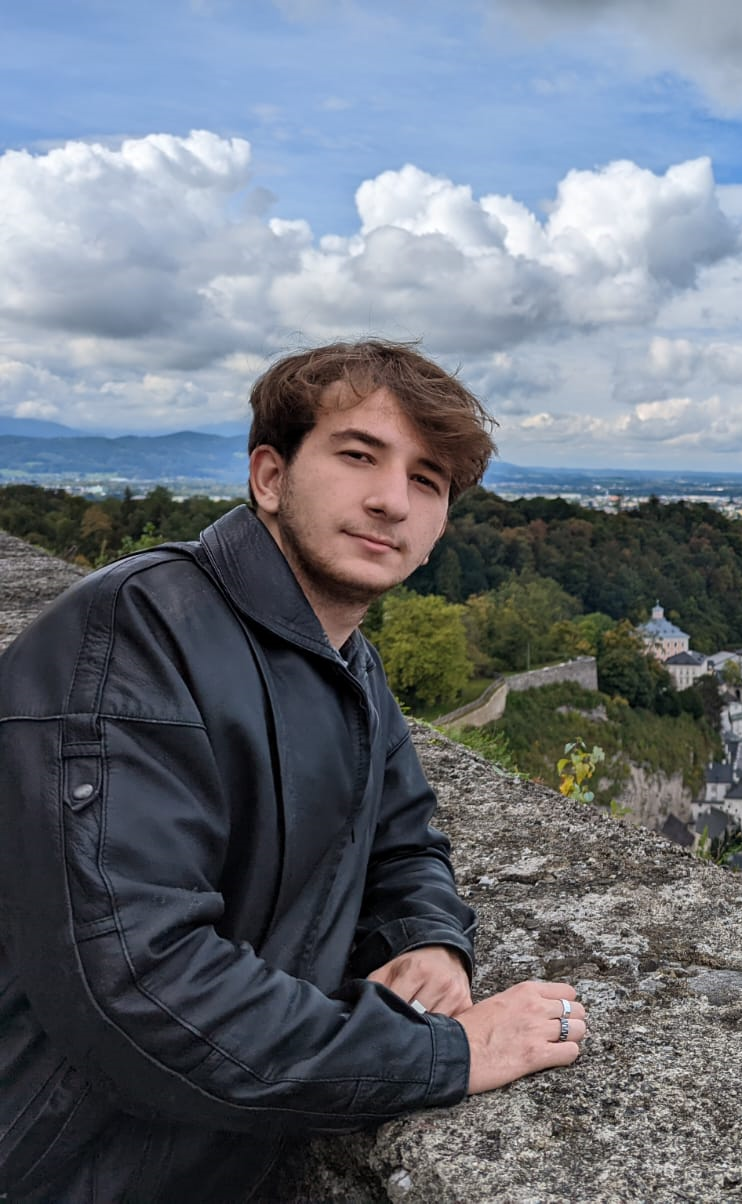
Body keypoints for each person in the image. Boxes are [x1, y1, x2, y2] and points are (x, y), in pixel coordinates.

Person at [0, 341, 586, 1201]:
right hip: (63, 1166)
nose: (391, 500)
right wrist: (449, 1052)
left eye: (428, 481)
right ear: (270, 477)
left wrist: (424, 940)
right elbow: (140, 985)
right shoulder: (132, 641)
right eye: (358, 455)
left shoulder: (344, 659)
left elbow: (404, 838)